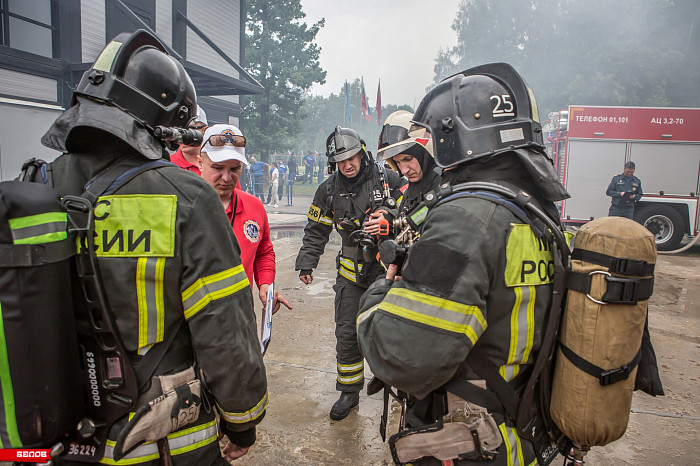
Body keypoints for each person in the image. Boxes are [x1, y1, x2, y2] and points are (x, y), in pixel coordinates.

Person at [31, 30, 267, 464]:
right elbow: (224, 330)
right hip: (160, 443)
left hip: (53, 437)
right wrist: (242, 421)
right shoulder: (188, 199)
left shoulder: (36, 186)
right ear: (161, 123)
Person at [357, 63, 570, 465]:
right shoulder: (538, 213)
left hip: (470, 443)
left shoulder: (467, 218)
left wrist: (379, 294)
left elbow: (402, 359)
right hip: (526, 433)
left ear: (456, 137)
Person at [295, 126, 406, 421]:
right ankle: (349, 391)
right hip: (350, 274)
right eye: (340, 160)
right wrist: (307, 262)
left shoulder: (387, 178)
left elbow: (416, 206)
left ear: (362, 152)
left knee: (392, 330)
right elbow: (316, 229)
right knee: (347, 333)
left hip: (388, 271)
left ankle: (395, 380)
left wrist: (389, 217)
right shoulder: (328, 189)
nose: (347, 164)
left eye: (352, 156)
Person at [198, 124, 291, 314]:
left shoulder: (254, 207)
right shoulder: (183, 207)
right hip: (192, 323)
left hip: (240, 317)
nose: (226, 177)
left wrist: (266, 284)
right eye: (217, 167)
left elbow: (263, 251)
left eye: (234, 168)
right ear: (200, 163)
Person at [363, 110, 440, 237]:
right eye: (398, 162)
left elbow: (424, 213)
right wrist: (390, 217)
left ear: (424, 153)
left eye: (408, 159)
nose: (404, 170)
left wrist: (397, 221)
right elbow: (408, 214)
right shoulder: (412, 191)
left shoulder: (445, 186)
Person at [169, 105, 208, 175]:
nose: (184, 135)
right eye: (179, 130)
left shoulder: (219, 163)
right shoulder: (168, 166)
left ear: (205, 131)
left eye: (191, 130)